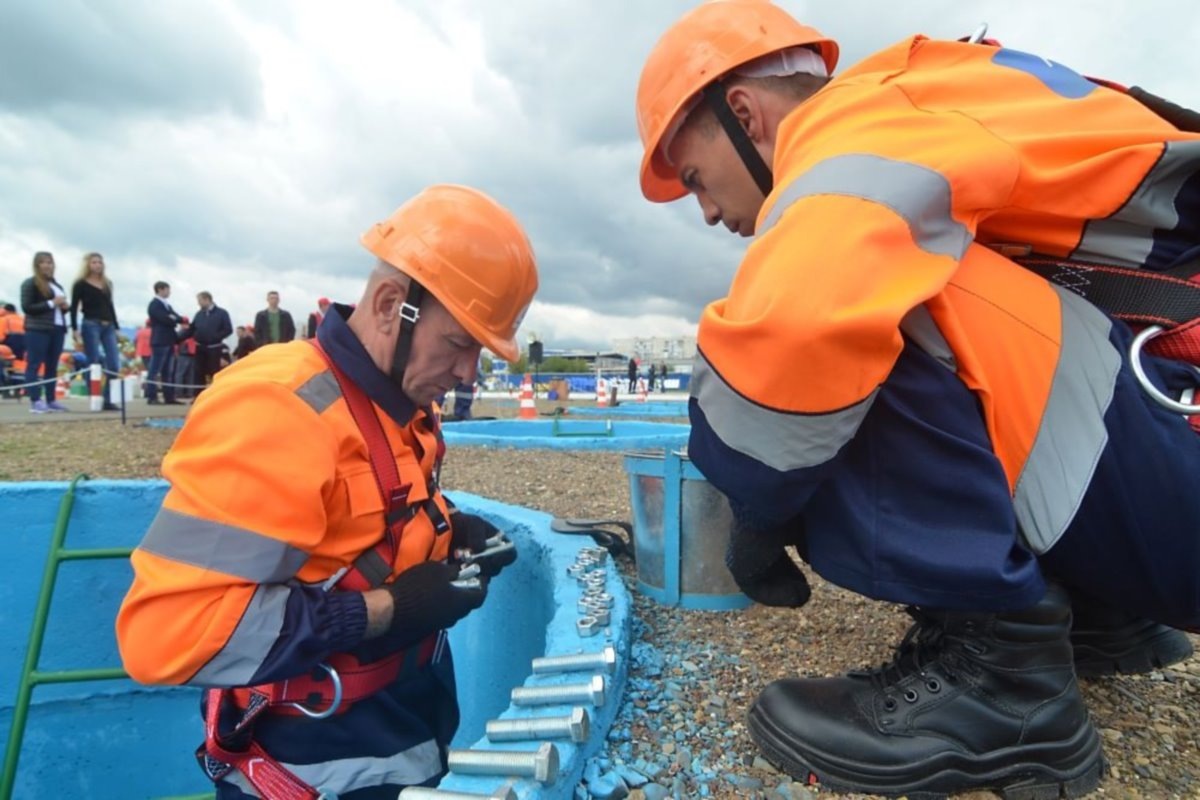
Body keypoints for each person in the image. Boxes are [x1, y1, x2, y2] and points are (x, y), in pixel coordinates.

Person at [635, 3, 1200, 797]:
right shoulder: (933, 103)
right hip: (1172, 461)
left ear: (744, 112)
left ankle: (1005, 683)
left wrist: (753, 501)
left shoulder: (858, 129)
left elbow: (801, 324)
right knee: (905, 264)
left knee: (866, 293)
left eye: (695, 178)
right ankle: (1098, 609)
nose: (703, 210)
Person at [116, 185, 538, 800]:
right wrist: (389, 610)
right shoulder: (279, 409)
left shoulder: (401, 399)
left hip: (405, 726)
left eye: (481, 349)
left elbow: (358, 527)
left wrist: (451, 529)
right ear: (392, 305)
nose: (469, 372)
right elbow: (170, 635)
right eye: (458, 343)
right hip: (313, 759)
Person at [19, 252, 70, 413]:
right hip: (38, 329)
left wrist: (64, 307)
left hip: (58, 328)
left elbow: (59, 309)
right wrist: (51, 303)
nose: (47, 265)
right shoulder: (30, 284)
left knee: (52, 366)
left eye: (50, 262)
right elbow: (27, 307)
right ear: (37, 265)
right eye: (43, 262)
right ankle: (35, 400)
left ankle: (51, 399)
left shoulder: (57, 285)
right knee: (34, 364)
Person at [70, 252, 121, 411]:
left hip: (108, 324)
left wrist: (116, 327)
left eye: (99, 262)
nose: (97, 265)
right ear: (87, 265)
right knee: (93, 362)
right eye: (94, 262)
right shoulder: (80, 284)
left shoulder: (107, 283)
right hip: (91, 323)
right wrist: (74, 328)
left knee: (114, 363)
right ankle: (94, 395)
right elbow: (74, 306)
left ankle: (108, 398)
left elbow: (110, 305)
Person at [146, 281, 185, 405]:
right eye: (167, 289)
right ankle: (152, 396)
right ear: (160, 289)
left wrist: (175, 319)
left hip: (168, 340)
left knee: (168, 371)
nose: (169, 292)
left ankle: (169, 396)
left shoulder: (166, 305)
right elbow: (166, 318)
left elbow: (176, 317)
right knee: (155, 369)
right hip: (160, 340)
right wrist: (174, 319)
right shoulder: (154, 305)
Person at [189, 291, 233, 397]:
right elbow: (192, 329)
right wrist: (177, 338)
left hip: (214, 348)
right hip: (200, 348)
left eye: (199, 301)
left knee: (214, 373)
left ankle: (216, 396)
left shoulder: (222, 313)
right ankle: (198, 397)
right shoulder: (199, 314)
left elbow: (228, 329)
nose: (198, 303)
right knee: (198, 373)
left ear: (207, 299)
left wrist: (215, 337)